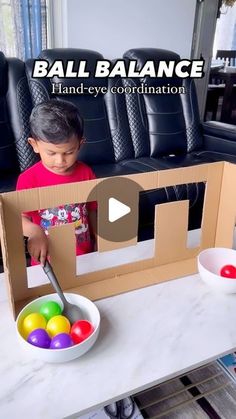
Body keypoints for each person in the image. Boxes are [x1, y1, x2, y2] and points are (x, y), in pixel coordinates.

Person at [16, 99, 97, 266]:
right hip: (48, 263)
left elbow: (92, 210)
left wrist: (100, 240)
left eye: (69, 152)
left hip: (85, 258)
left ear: (80, 144)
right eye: (51, 153)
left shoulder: (86, 173)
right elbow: (19, 218)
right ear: (34, 145)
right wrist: (34, 231)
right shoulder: (28, 180)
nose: (60, 161)